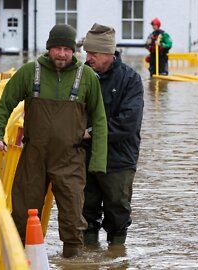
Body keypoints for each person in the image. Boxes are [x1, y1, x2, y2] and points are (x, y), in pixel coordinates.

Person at [0, 24, 108, 258]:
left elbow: (100, 120)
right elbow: (4, 105)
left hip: (71, 158)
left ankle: (72, 258)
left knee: (73, 216)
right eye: (57, 48)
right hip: (34, 155)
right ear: (48, 48)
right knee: (23, 211)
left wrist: (97, 163)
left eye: (66, 49)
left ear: (74, 51)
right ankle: (19, 257)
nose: (61, 54)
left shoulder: (88, 77)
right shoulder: (29, 72)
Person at [82, 23, 144, 246]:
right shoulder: (82, 76)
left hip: (119, 160)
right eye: (86, 53)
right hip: (86, 158)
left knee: (117, 214)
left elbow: (128, 123)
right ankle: (88, 259)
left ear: (108, 53)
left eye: (93, 53)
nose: (88, 58)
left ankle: (116, 256)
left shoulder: (130, 80)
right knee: (85, 214)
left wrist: (91, 132)